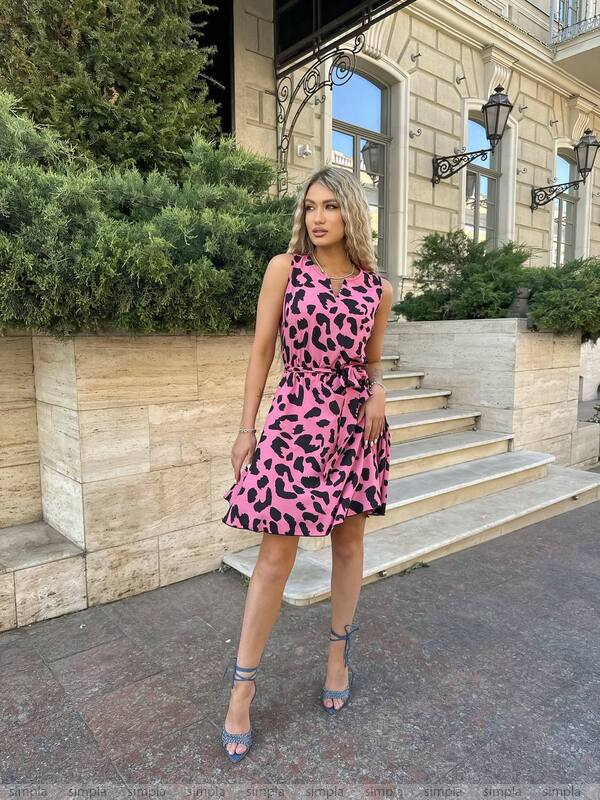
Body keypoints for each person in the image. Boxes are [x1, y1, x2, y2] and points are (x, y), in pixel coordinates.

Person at [218, 166, 393, 762]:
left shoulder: (377, 287)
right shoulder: (284, 270)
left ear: (351, 215)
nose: (317, 217)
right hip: (296, 419)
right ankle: (242, 688)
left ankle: (338, 654)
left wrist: (378, 389)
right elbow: (262, 352)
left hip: (355, 427)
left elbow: (372, 360)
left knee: (349, 544)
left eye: (329, 206)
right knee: (275, 555)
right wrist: (247, 430)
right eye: (310, 206)